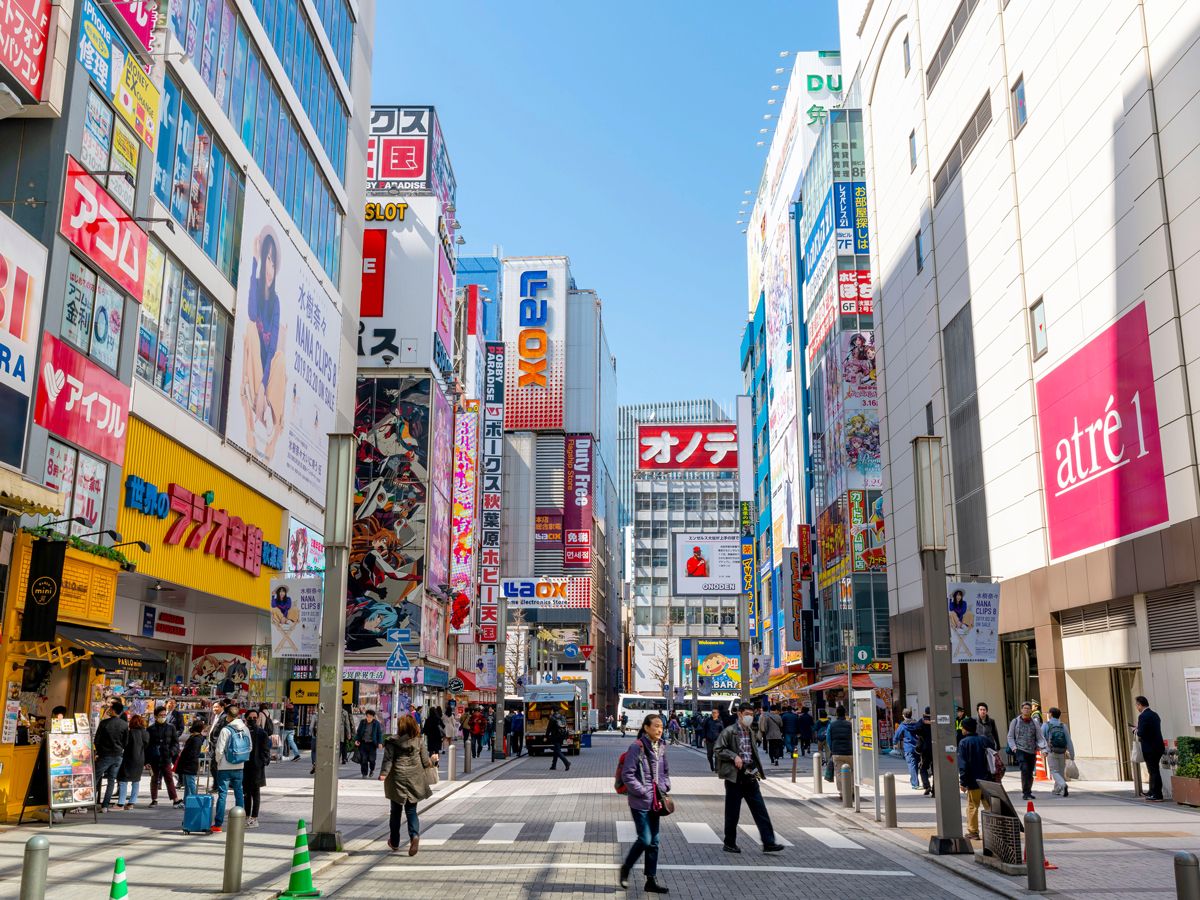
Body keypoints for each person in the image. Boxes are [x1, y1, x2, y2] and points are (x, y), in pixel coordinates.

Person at [240, 223, 287, 458]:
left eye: (272, 262)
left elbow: (272, 349)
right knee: (250, 329)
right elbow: (250, 312)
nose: (270, 267)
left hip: (265, 378)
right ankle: (261, 409)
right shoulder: (257, 290)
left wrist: (262, 386)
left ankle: (271, 415)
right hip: (253, 368)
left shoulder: (276, 303)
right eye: (267, 259)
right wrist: (254, 261)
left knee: (279, 357)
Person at [714, 702, 784, 854]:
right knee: (733, 812)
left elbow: (752, 752)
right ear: (739, 714)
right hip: (735, 777)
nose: (749, 717)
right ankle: (729, 842)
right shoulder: (729, 731)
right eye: (746, 714)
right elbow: (718, 749)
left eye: (751, 715)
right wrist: (734, 757)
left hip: (750, 775)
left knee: (760, 810)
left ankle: (769, 842)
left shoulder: (750, 731)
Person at [618, 714, 672, 894]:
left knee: (654, 842)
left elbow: (664, 770)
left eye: (661, 727)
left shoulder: (661, 745)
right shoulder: (637, 747)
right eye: (656, 726)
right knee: (645, 839)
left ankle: (650, 880)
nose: (659, 729)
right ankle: (626, 868)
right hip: (640, 801)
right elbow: (628, 774)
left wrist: (665, 785)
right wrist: (642, 791)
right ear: (646, 727)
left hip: (656, 801)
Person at [380, 714, 437, 855]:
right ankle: (414, 836)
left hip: (397, 779)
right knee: (411, 811)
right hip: (414, 778)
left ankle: (394, 841)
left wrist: (383, 774)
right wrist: (433, 760)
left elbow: (388, 760)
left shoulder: (392, 742)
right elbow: (425, 762)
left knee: (395, 812)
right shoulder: (419, 742)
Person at [212, 706, 252, 833]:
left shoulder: (226, 730)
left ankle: (218, 824)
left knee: (222, 794)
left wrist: (219, 761)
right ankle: (240, 821)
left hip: (224, 767)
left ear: (228, 716)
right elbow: (249, 746)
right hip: (239, 766)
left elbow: (219, 750)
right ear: (238, 716)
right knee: (239, 792)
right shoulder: (245, 729)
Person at [958, 717, 993, 840]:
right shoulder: (984, 740)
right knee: (989, 806)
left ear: (966, 729)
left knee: (973, 806)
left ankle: (973, 832)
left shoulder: (964, 743)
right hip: (987, 779)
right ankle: (992, 831)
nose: (961, 729)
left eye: (962, 727)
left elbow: (963, 765)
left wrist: (963, 782)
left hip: (973, 781)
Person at [1007, 701, 1048, 801]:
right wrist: (1014, 747)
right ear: (1021, 710)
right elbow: (1010, 736)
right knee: (1024, 770)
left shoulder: (1034, 722)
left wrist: (1043, 749)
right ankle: (1025, 792)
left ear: (1030, 710)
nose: (1026, 710)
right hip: (1020, 750)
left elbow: (1040, 736)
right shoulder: (1015, 721)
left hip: (1032, 751)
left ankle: (1028, 791)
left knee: (1029, 772)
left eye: (1028, 708)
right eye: (1024, 708)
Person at [95, 700, 129, 812]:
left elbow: (97, 740)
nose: (108, 710)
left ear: (113, 710)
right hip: (118, 755)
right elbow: (126, 742)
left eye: (110, 709)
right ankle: (105, 805)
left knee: (95, 778)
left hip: (105, 755)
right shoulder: (124, 725)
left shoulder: (104, 723)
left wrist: (99, 752)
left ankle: (85, 803)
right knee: (111, 780)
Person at [147, 706, 182, 808]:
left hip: (166, 757)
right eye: (160, 715)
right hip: (154, 758)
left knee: (169, 778)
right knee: (154, 779)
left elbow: (176, 743)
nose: (162, 717)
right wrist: (147, 760)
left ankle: (175, 799)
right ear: (155, 716)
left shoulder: (171, 727)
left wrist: (171, 752)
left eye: (164, 715)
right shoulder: (150, 729)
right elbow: (147, 746)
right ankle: (154, 799)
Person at [243, 709, 271, 827]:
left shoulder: (261, 733)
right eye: (251, 717)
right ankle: (247, 816)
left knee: (255, 792)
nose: (253, 720)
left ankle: (254, 817)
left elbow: (266, 750)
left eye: (255, 717)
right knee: (246, 793)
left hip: (256, 767)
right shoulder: (243, 732)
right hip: (245, 766)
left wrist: (263, 762)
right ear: (246, 718)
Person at [1135, 696, 1165, 802]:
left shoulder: (1143, 716)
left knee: (1153, 771)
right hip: (1158, 747)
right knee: (1153, 770)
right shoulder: (1154, 715)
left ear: (1140, 705)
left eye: (1137, 705)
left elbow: (1141, 733)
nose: (1136, 708)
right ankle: (1152, 791)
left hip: (1150, 748)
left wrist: (1135, 730)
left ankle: (1157, 794)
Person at [1041, 707, 1075, 798]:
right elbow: (1068, 740)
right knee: (1060, 771)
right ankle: (1057, 789)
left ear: (1050, 714)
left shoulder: (1046, 725)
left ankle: (1063, 785)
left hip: (1051, 751)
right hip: (1062, 752)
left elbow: (1041, 738)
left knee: (1054, 771)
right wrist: (1072, 754)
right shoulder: (1063, 725)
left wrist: (1043, 750)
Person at [118, 714, 149, 810]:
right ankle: (132, 802)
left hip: (128, 758)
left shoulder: (130, 732)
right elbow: (146, 746)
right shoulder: (146, 733)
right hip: (140, 759)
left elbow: (124, 745)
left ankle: (121, 803)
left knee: (123, 780)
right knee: (136, 780)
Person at [827, 706, 854, 800]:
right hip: (850, 752)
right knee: (851, 772)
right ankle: (851, 791)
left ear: (837, 714)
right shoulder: (850, 724)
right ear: (845, 713)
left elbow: (828, 739)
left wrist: (832, 749)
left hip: (837, 753)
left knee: (839, 773)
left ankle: (843, 793)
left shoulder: (831, 725)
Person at [893, 708, 923, 789]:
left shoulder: (902, 725)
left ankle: (915, 784)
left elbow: (897, 735)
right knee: (916, 765)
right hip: (917, 747)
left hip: (908, 748)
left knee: (912, 765)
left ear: (903, 715)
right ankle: (916, 781)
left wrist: (894, 743)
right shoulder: (916, 723)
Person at [176, 721, 205, 798]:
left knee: (190, 784)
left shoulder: (196, 739)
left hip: (189, 765)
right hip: (189, 765)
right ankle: (186, 801)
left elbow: (193, 753)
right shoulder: (196, 738)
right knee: (188, 785)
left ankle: (195, 800)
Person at [356, 709, 384, 778]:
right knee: (364, 759)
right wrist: (356, 740)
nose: (369, 718)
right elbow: (359, 732)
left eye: (370, 717)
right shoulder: (362, 722)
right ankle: (364, 773)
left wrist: (380, 743)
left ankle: (372, 769)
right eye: (367, 716)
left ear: (373, 717)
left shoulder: (376, 723)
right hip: (363, 743)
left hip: (372, 744)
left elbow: (379, 734)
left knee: (372, 760)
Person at [917, 708, 935, 795]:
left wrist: (923, 722)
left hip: (925, 749)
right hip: (935, 748)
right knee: (935, 769)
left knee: (923, 768)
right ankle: (935, 789)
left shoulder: (922, 721)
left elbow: (916, 729)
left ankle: (927, 786)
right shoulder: (935, 720)